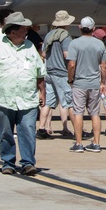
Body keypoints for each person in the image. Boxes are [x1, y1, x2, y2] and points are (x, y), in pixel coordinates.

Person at [0, 11, 47, 176]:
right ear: (12, 31)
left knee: (28, 130)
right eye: (23, 28)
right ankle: (8, 162)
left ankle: (28, 162)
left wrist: (42, 92)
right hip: (4, 98)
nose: (26, 31)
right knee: (5, 132)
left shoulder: (30, 46)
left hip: (27, 98)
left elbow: (39, 72)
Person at [66, 16, 106, 153]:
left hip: (79, 83)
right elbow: (104, 66)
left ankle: (78, 143)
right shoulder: (100, 44)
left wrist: (70, 79)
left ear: (79, 28)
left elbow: (72, 64)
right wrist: (102, 82)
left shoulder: (75, 43)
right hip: (94, 83)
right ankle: (96, 143)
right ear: (93, 28)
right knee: (95, 113)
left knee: (78, 112)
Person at [39, 10, 75, 139]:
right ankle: (77, 130)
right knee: (68, 102)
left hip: (49, 72)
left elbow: (43, 54)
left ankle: (41, 128)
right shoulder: (65, 36)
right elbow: (67, 54)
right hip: (61, 73)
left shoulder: (49, 35)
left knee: (48, 102)